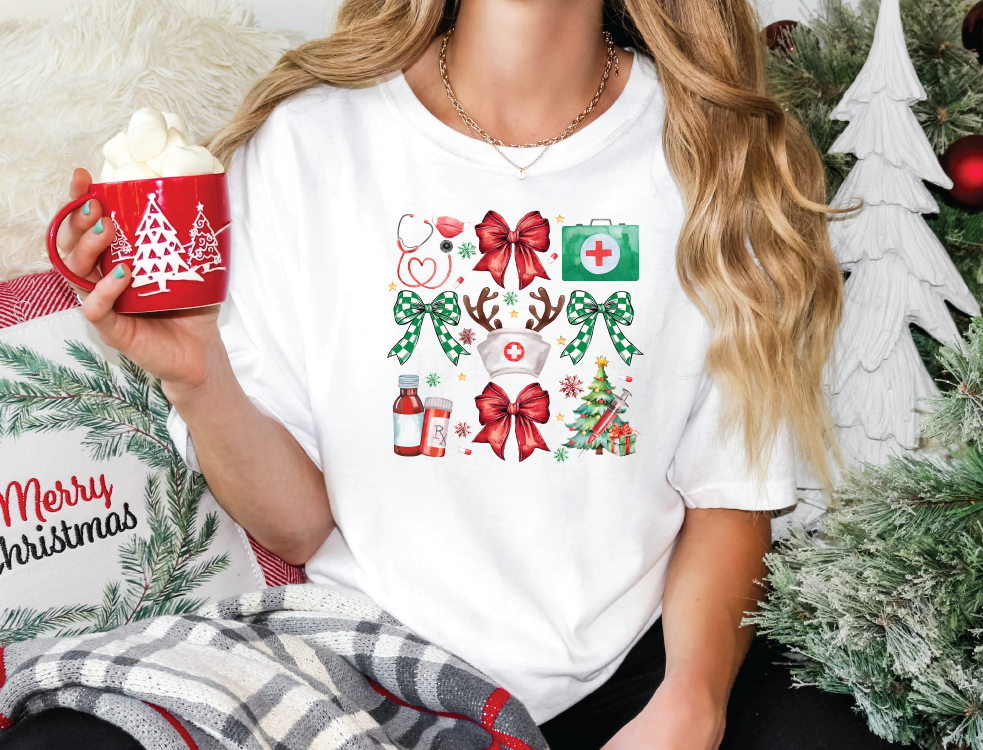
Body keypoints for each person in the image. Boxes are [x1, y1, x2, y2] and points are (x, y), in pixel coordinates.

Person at [4, 0, 866, 748]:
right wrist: (198, 374)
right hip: (365, 669)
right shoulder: (308, 143)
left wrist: (692, 706)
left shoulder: (719, 161)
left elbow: (732, 492)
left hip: (639, 668)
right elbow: (299, 530)